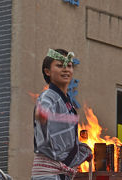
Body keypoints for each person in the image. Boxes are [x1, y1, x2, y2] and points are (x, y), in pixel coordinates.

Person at [31, 49, 92, 180]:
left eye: (69, 66)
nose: (66, 70)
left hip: (61, 174)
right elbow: (44, 112)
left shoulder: (67, 102)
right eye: (60, 65)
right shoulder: (48, 96)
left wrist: (84, 151)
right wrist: (44, 116)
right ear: (47, 71)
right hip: (48, 175)